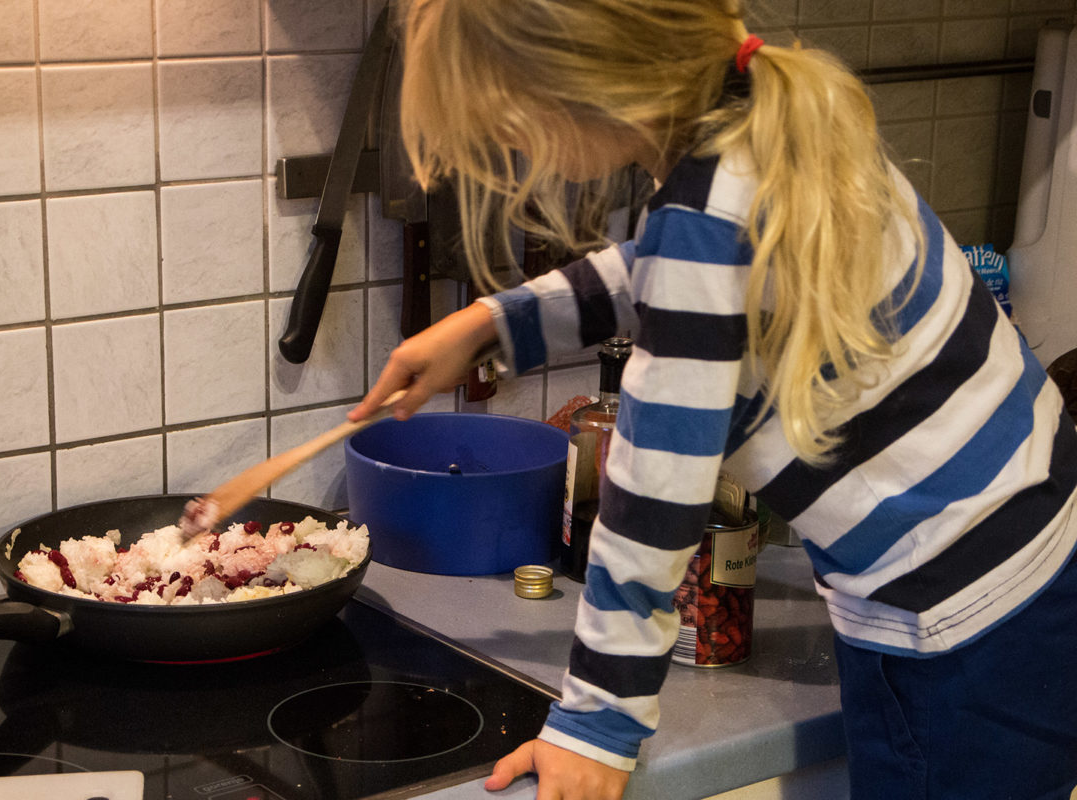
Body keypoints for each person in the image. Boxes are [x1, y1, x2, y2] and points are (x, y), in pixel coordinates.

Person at [349, 1, 1077, 798]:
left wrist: (596, 724)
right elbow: (675, 271)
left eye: (503, 117)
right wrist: (496, 322)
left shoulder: (702, 224)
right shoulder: (772, 106)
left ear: (583, 84)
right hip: (1035, 546)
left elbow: (654, 498)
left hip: (956, 629)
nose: (507, 145)